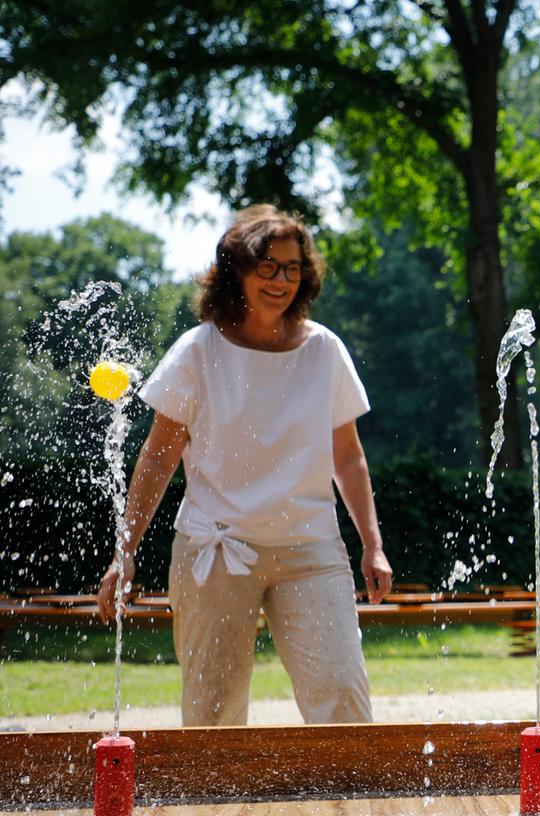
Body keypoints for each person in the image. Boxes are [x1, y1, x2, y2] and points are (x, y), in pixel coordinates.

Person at [96, 204, 393, 726]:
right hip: (215, 550)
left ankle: (352, 808)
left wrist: (373, 545)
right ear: (235, 269)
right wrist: (126, 552)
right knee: (213, 715)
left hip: (310, 548)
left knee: (343, 699)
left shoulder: (325, 349)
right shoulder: (196, 351)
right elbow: (157, 458)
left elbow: (347, 456)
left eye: (292, 267)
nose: (281, 280)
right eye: (267, 266)